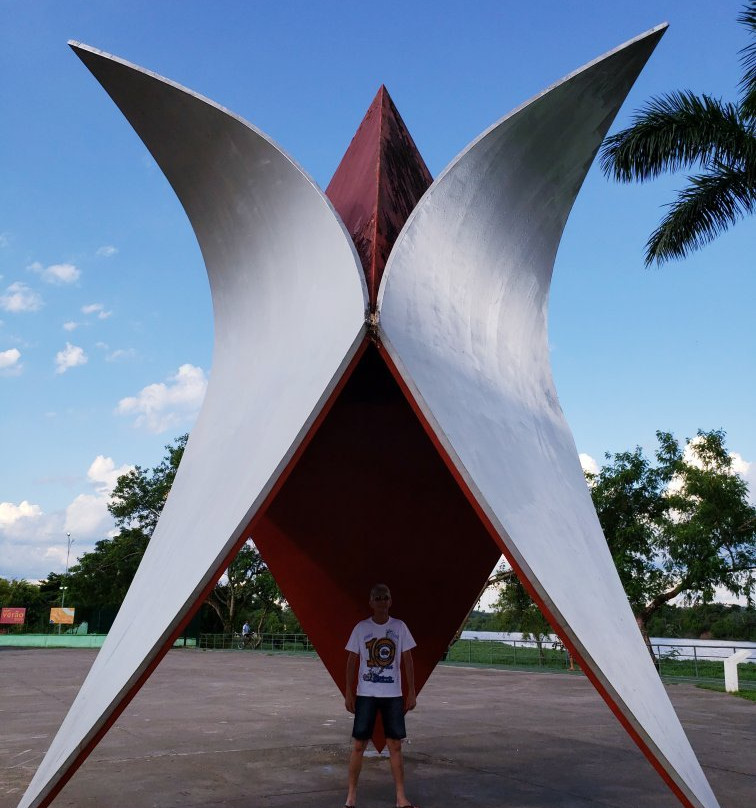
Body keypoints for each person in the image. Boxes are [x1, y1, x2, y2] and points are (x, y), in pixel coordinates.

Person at [344, 583, 417, 808]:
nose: (381, 601)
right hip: (366, 694)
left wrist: (411, 690)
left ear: (390, 601)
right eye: (377, 597)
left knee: (395, 745)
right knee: (359, 745)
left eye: (385, 597)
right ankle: (351, 797)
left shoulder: (400, 627)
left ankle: (401, 797)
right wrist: (349, 691)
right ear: (371, 602)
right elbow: (352, 661)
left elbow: (407, 660)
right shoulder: (361, 628)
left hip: (392, 694)